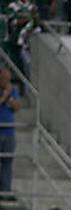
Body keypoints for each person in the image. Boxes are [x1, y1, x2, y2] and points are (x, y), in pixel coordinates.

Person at [0, 67, 22, 197]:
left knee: (7, 163)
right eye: (4, 79)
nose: (6, 81)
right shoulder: (7, 91)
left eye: (8, 79)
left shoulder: (13, 90)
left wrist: (9, 98)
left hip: (9, 132)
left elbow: (17, 107)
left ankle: (5, 191)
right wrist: (4, 96)